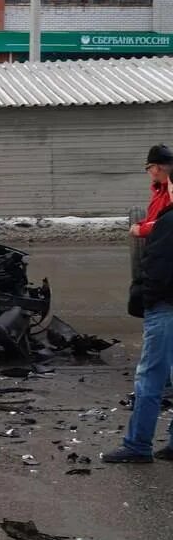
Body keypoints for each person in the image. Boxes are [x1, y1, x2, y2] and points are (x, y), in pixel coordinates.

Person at [103, 199, 173, 463]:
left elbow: (158, 267)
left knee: (150, 377)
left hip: (165, 307)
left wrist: (147, 299)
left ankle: (138, 445)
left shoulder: (169, 221)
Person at [131, 144, 173, 239]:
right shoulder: (159, 190)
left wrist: (140, 230)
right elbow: (155, 218)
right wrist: (140, 224)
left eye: (148, 168)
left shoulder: (168, 191)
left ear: (155, 168)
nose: (148, 173)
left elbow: (165, 223)